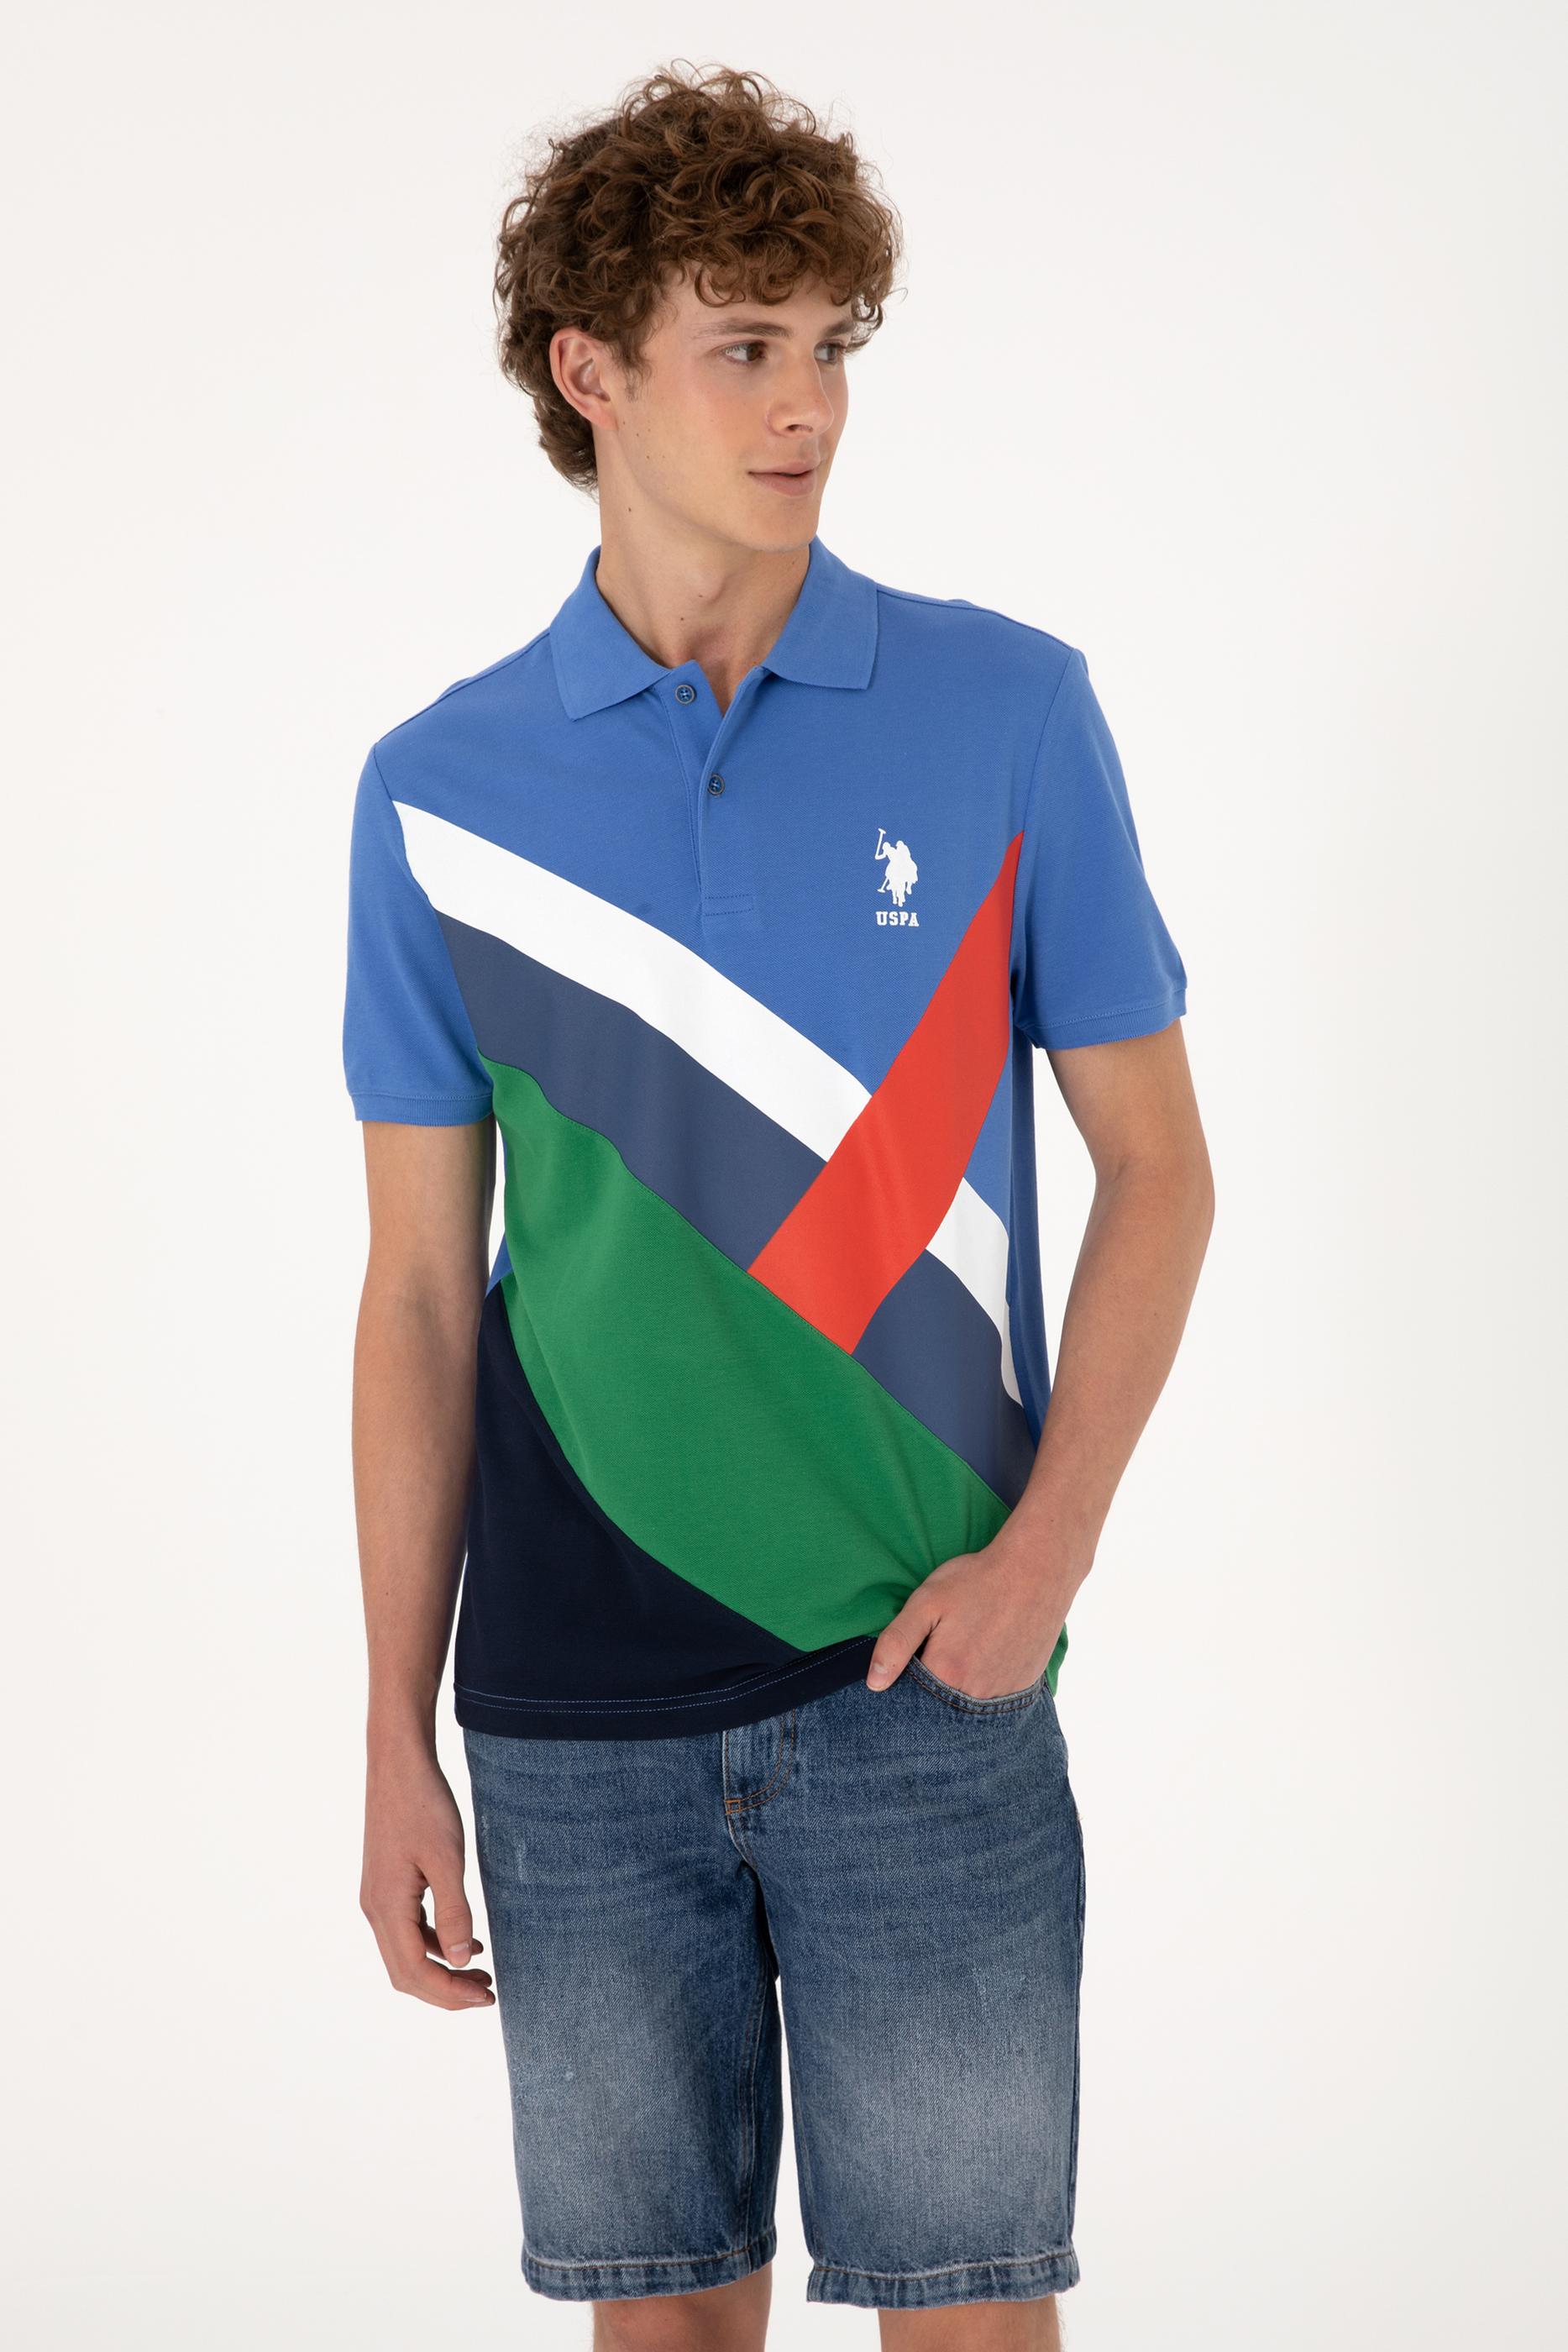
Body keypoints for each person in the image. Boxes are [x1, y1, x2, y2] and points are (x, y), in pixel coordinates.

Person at [342, 60, 1214, 2351]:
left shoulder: (1008, 712)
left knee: (973, 2325)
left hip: (925, 1684)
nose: (807, 402)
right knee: (663, 2333)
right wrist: (391, 1730)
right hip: (569, 1721)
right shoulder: (438, 792)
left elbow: (1158, 1168)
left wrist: (1044, 1563)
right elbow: (418, 1298)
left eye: (833, 344)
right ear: (591, 371)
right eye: (745, 345)